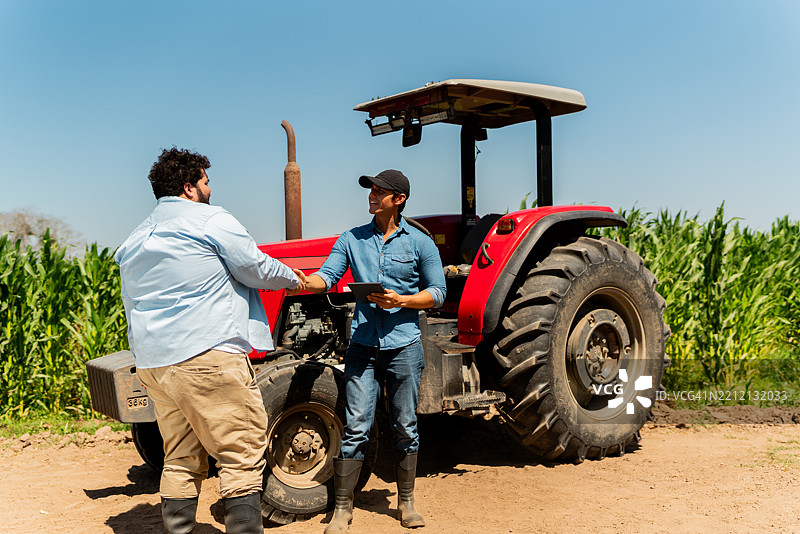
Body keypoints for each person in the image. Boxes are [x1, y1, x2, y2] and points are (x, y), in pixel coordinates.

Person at [115, 147, 305, 534]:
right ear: (189, 187)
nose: (210, 188)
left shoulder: (135, 239)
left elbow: (130, 301)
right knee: (240, 453)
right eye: (206, 181)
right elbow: (254, 267)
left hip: (155, 363)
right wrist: (295, 278)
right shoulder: (209, 219)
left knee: (180, 456)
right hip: (206, 354)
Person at [297, 170, 446, 533]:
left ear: (399, 199)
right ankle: (342, 509)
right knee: (356, 427)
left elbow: (439, 292)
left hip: (404, 346)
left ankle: (406, 503)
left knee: (405, 425)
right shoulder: (351, 238)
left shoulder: (421, 243)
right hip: (363, 347)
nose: (372, 195)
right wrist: (302, 282)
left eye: (380, 191)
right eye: (371, 190)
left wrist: (403, 300)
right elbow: (327, 276)